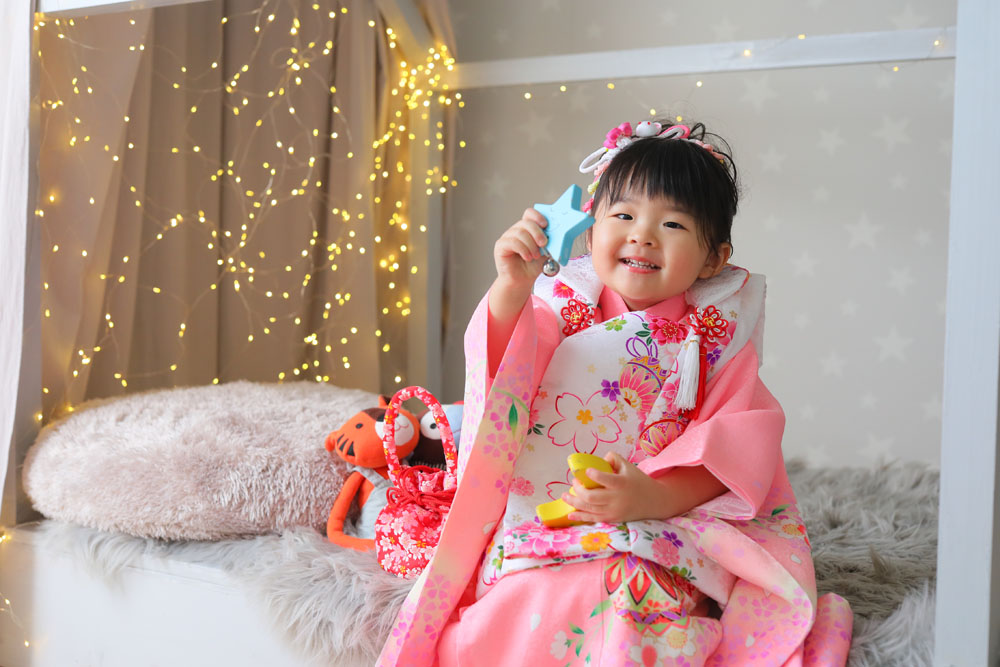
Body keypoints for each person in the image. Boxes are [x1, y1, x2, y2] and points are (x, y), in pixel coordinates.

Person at [379, 119, 853, 666]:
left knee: (626, 587)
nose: (642, 235)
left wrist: (650, 498)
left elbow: (733, 449)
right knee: (520, 598)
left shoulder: (716, 336)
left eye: (672, 223)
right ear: (591, 231)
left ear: (713, 258)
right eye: (623, 215)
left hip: (661, 517)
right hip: (546, 511)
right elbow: (506, 373)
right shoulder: (564, 306)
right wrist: (511, 287)